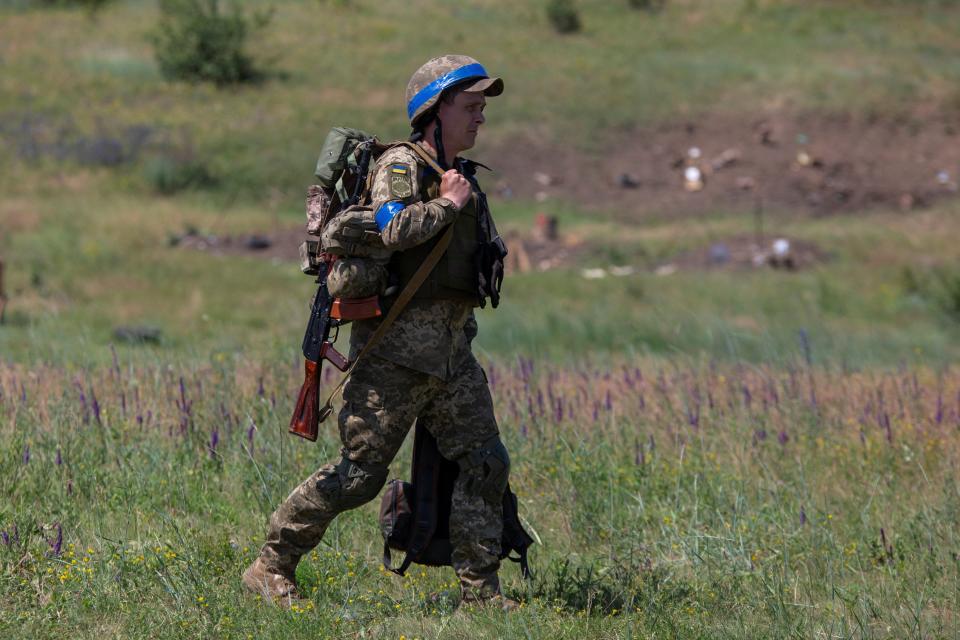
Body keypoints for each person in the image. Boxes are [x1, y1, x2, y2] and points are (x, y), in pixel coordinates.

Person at [242, 55, 515, 610]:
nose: (480, 116)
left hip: (450, 357)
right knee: (361, 476)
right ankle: (271, 564)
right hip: (391, 359)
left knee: (485, 462)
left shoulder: (456, 172)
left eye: (483, 107)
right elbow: (393, 227)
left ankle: (481, 594)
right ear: (435, 111)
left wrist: (454, 196)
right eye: (471, 106)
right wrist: (448, 203)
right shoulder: (400, 165)